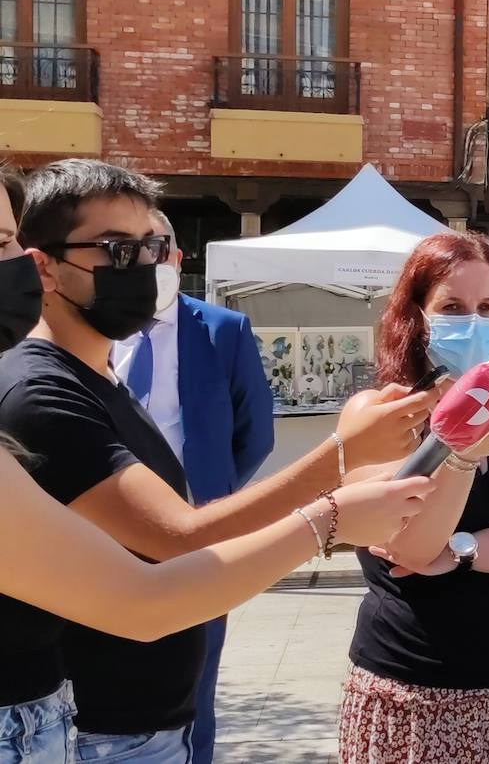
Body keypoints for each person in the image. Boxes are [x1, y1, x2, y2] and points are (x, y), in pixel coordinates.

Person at [0, 159, 440, 763]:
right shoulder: (38, 390)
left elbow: (231, 459)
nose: (146, 267)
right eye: (117, 251)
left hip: (147, 721)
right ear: (43, 265)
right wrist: (338, 476)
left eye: (154, 246)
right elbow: (175, 542)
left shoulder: (98, 372)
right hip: (103, 731)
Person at [338, 232, 489, 764]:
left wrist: (460, 551)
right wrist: (461, 455)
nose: (473, 321)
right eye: (452, 307)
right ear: (416, 316)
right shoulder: (378, 413)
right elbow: (409, 546)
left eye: (487, 307)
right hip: (411, 691)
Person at [110, 210, 274, 764]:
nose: (148, 261)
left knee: (195, 677)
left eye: (159, 247)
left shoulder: (224, 331)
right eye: (131, 251)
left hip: (198, 535)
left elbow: (255, 434)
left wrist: (215, 501)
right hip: (104, 532)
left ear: (180, 258)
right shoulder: (97, 333)